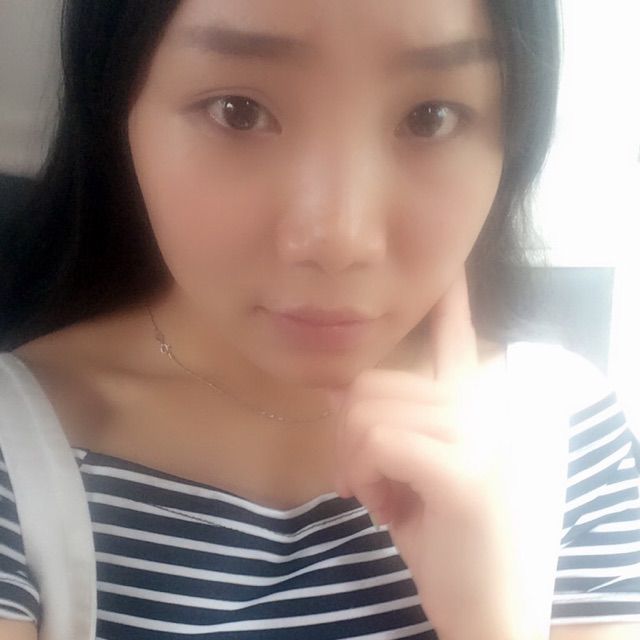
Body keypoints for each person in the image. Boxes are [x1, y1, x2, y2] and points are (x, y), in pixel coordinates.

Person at [0, 0, 639, 638]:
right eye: (238, 111)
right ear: (120, 116)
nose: (339, 240)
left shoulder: (567, 438)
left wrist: (490, 620)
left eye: (430, 117)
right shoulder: (16, 448)